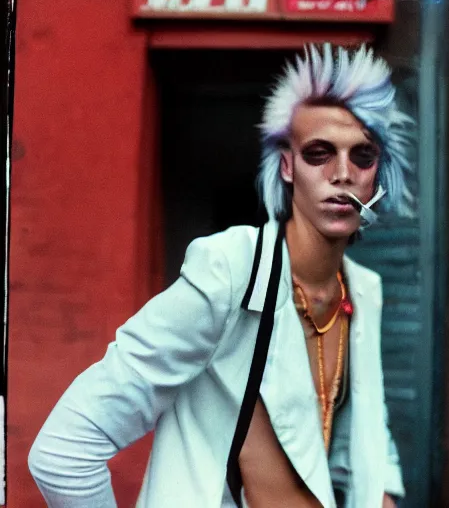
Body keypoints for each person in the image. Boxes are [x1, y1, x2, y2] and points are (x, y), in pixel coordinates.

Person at [29, 43, 412, 507]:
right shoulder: (230, 270)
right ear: (287, 166)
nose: (343, 174)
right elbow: (65, 449)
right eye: (319, 153)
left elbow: (364, 425)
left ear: (378, 173)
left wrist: (384, 491)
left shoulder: (363, 290)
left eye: (363, 156)